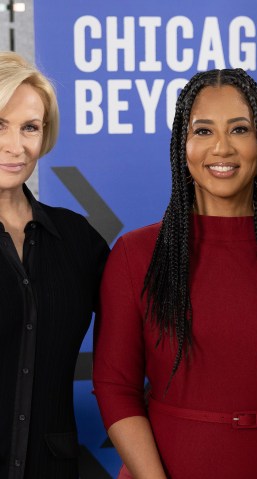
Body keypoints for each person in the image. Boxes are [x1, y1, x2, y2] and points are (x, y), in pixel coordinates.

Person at [93, 68, 257, 479]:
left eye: (240, 129)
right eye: (203, 131)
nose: (221, 148)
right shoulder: (134, 255)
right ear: (182, 147)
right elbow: (116, 387)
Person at [0, 51, 109, 478]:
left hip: (51, 468)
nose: (15, 145)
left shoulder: (76, 239)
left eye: (30, 127)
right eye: (0, 125)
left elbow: (153, 306)